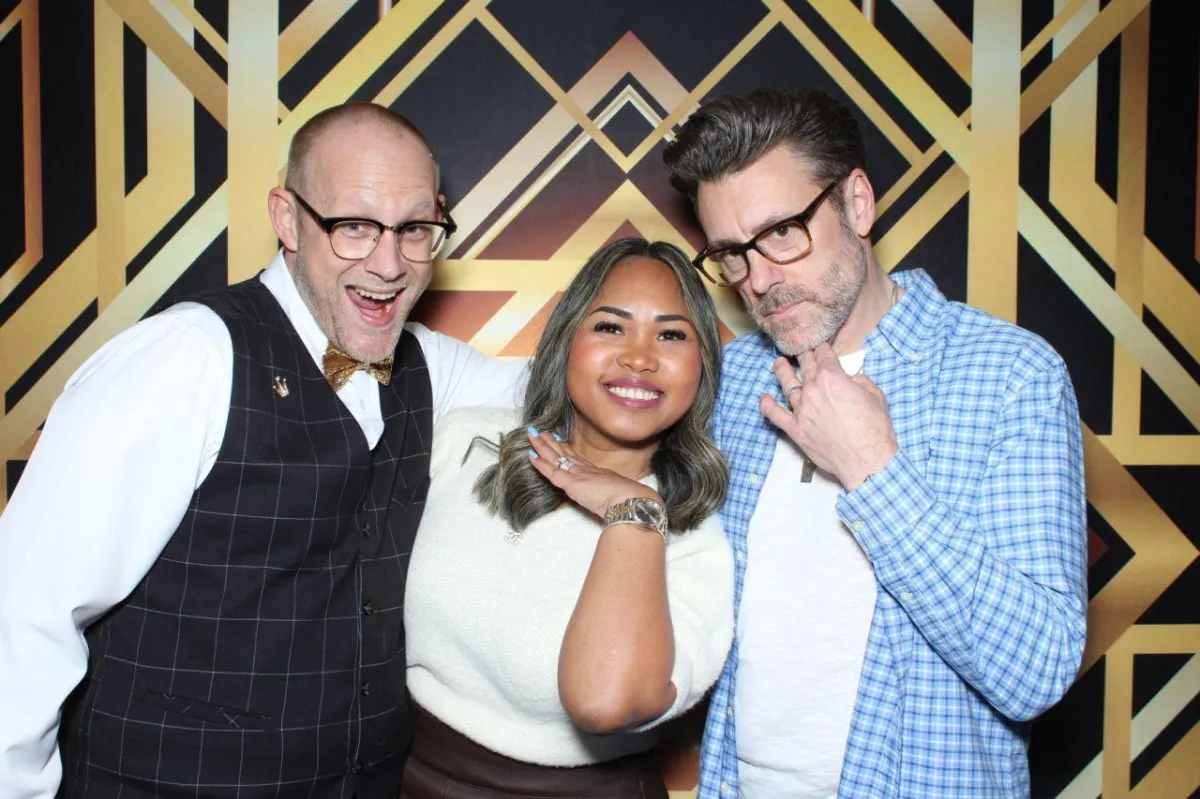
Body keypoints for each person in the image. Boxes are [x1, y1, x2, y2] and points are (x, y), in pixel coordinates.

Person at [0, 103, 525, 798]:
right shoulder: (186, 356)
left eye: (414, 229)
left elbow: (576, 385)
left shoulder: (428, 365)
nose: (389, 263)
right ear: (287, 218)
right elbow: (25, 612)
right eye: (354, 226)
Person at [662, 88, 1089, 798]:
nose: (759, 280)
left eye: (782, 232)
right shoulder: (731, 380)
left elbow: (1037, 670)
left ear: (857, 204)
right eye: (732, 254)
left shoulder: (1010, 375)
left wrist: (872, 467)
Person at [401, 237, 735, 799]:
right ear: (566, 341)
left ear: (702, 366)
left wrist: (634, 512)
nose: (639, 357)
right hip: (398, 773)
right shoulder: (466, 440)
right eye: (610, 326)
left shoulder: (693, 537)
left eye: (671, 335)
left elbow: (604, 702)